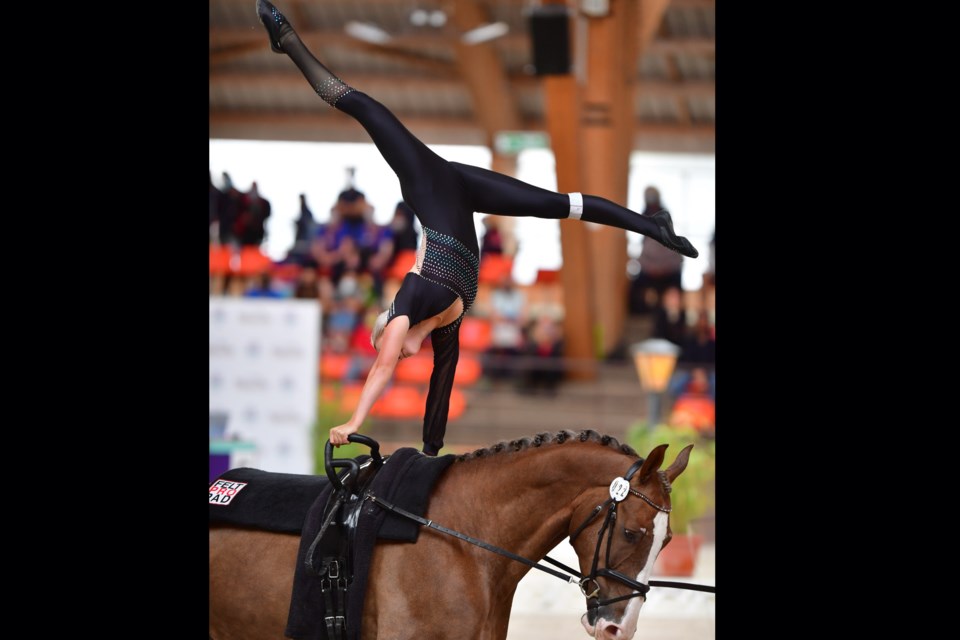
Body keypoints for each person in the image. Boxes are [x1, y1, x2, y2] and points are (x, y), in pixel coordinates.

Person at [255, 0, 698, 455]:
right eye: (397, 344)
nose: (399, 350)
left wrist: (354, 420)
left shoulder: (409, 299)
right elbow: (440, 388)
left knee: (363, 107)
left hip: (428, 181)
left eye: (390, 339)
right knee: (558, 205)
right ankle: (652, 224)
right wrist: (431, 453)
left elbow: (382, 368)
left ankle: (287, 39)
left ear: (391, 323)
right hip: (463, 188)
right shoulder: (446, 321)